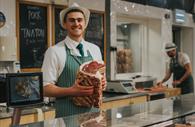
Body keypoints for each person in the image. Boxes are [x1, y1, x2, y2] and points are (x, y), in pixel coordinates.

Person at [41, 3, 106, 118]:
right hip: (67, 116)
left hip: (94, 115)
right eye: (72, 20)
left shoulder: (95, 49)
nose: (76, 23)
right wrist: (72, 91)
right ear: (64, 24)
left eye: (79, 20)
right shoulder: (54, 51)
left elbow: (100, 79)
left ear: (85, 24)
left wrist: (102, 84)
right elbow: (44, 88)